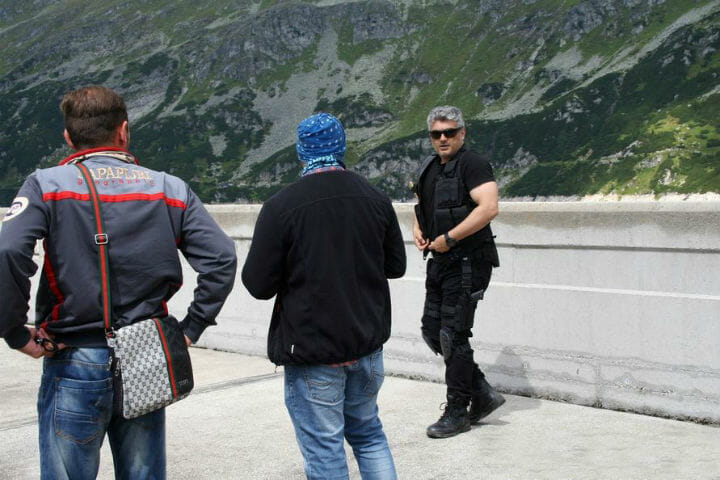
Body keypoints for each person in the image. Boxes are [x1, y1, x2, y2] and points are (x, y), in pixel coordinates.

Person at [0, 85, 237, 479]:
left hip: (74, 355)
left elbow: (8, 250)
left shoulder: (46, 185)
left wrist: (13, 332)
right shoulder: (168, 187)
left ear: (68, 136)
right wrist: (191, 328)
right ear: (124, 131)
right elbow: (222, 258)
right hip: (145, 354)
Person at [242, 112, 406, 480]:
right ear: (342, 146)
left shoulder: (281, 207)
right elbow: (396, 266)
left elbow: (257, 284)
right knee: (369, 435)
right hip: (367, 345)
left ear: (301, 152)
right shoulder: (376, 198)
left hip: (314, 351)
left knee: (325, 450)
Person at [412, 105, 505, 439]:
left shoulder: (473, 164)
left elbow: (489, 207)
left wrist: (450, 238)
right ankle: (481, 392)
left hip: (468, 261)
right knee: (432, 330)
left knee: (453, 333)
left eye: (449, 132)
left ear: (462, 133)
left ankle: (458, 411)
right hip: (440, 261)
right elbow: (422, 207)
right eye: (436, 134)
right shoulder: (430, 167)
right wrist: (418, 230)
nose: (443, 138)